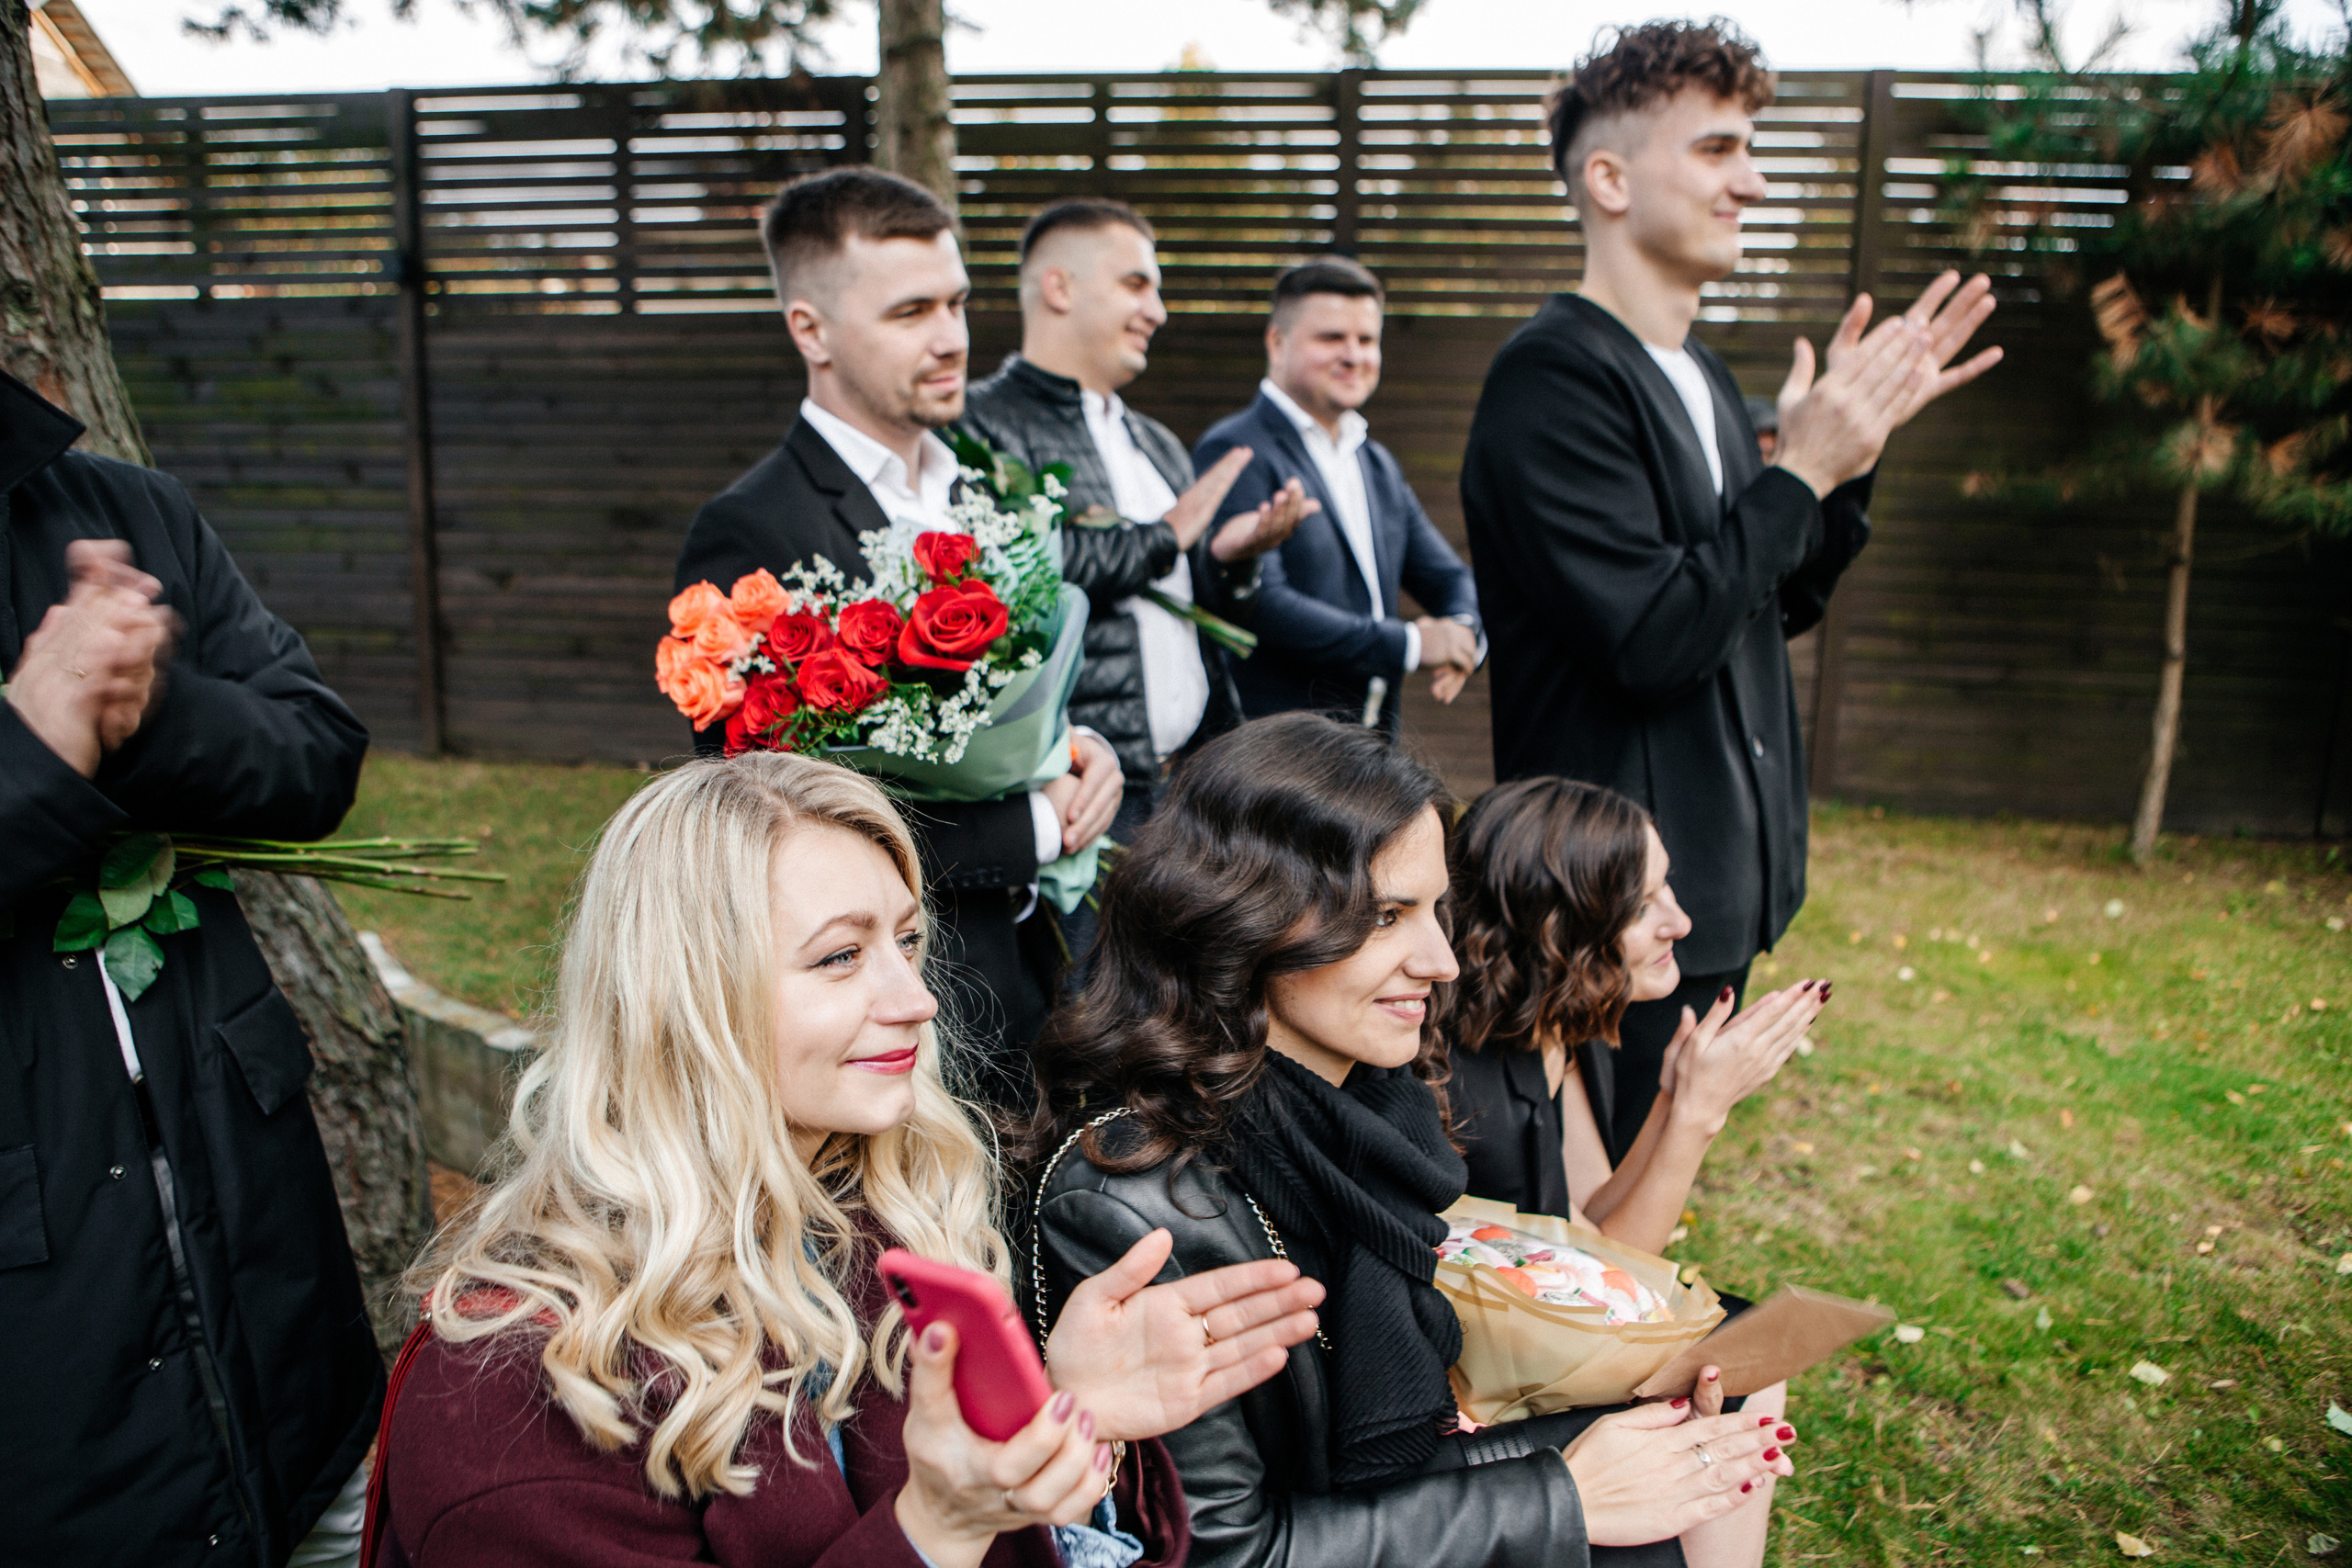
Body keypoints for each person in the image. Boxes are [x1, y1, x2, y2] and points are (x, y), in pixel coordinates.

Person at [377, 750, 1328, 1566]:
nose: (915, 999)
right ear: (689, 999)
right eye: (840, 957)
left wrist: (1060, 1425)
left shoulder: (871, 1241)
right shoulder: (509, 1390)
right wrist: (935, 1528)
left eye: (908, 944)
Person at [1026, 713, 1798, 1568]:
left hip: (1376, 1486)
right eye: (1386, 915)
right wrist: (1566, 1495)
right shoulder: (1137, 1201)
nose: (1442, 960)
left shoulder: (1363, 1103)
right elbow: (1226, 1550)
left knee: (1710, 1416)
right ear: (1247, 915)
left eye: (1434, 909)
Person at [1459, 19, 2001, 1161]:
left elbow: (1769, 603)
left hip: (1708, 886)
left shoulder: (1702, 374)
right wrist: (1802, 467)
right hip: (1606, 904)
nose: (1750, 181)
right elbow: (1656, 636)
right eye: (1716, 151)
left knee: (1666, 1165)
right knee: (1587, 1200)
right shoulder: (1551, 377)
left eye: (1748, 150)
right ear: (1607, 178)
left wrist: (1845, 464)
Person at [1, 370, 383, 1565]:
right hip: (48, 1364)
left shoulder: (123, 510)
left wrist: (157, 708)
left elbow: (317, 757)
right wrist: (35, 749)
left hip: (271, 1256)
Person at [675, 167, 1124, 1110]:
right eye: (911, 311)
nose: (952, 338)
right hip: (907, 1016)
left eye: (957, 303)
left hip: (1058, 976)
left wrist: (1083, 757)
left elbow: (1017, 699)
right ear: (812, 330)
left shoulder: (984, 490)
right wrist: (1036, 828)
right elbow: (772, 828)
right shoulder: (751, 534)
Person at [958, 199, 1315, 839]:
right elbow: (1015, 574)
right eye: (1136, 285)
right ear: (1059, 287)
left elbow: (1190, 608)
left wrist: (1229, 561)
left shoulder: (1155, 441)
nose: (1158, 311)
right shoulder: (977, 426)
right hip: (1087, 794)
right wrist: (1167, 535)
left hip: (1192, 788)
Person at [1445, 778, 1825, 1235]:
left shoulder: (1558, 1025)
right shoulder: (1471, 1094)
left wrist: (1673, 1095)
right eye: (1641, 908)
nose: (1681, 924)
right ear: (1557, 932)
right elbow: (1601, 1278)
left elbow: (1590, 1219)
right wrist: (1699, 1113)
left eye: (1665, 884)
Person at [1192, 257, 1483, 733]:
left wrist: (1464, 634)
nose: (1354, 355)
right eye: (1331, 338)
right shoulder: (1236, 449)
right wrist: (1410, 645)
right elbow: (1264, 606)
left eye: (1366, 340)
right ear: (1277, 342)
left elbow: (1448, 575)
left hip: (1370, 743)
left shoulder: (1376, 462)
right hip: (1278, 746)